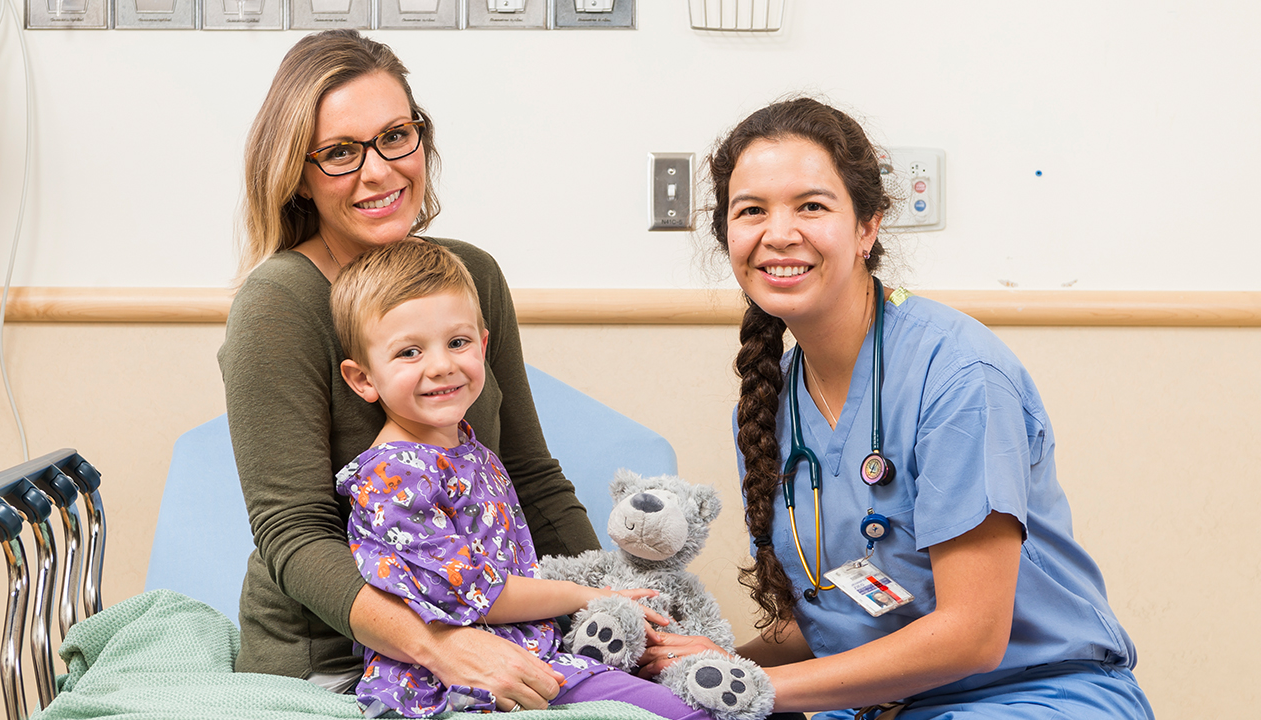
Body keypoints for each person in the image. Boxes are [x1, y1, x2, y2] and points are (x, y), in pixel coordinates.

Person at [638, 98, 1155, 719]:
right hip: (869, 703)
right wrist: (708, 660)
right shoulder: (771, 402)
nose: (778, 233)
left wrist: (751, 687)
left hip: (1028, 695)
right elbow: (845, 614)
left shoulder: (960, 377)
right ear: (728, 236)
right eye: (752, 211)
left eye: (811, 206)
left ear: (868, 226)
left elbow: (972, 634)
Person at [218, 29, 600, 706]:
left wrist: (616, 604)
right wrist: (437, 645)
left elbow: (532, 476)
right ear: (298, 175)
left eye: (397, 135)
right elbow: (294, 533)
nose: (379, 170)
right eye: (339, 153)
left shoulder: (471, 274)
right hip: (334, 661)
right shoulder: (278, 304)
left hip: (488, 626)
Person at [328, 240, 713, 720]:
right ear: (363, 379)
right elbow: (477, 593)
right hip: (458, 675)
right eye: (409, 352)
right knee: (687, 712)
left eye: (458, 342)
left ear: (484, 348)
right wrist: (591, 596)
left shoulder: (469, 449)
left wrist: (611, 596)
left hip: (531, 644)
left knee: (706, 691)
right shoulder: (394, 475)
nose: (442, 365)